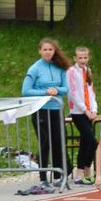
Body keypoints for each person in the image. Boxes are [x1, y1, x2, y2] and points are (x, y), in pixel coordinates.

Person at [21, 38, 70, 188]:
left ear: (54, 51)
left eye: (50, 49)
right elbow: (26, 91)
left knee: (58, 142)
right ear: (40, 51)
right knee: (45, 143)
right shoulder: (34, 68)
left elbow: (65, 88)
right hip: (40, 111)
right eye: (45, 49)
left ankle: (57, 176)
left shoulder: (60, 67)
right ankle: (43, 177)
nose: (48, 52)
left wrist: (57, 90)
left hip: (56, 110)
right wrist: (45, 92)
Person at [66, 46, 98, 185]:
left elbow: (91, 91)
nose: (83, 60)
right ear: (75, 58)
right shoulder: (71, 71)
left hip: (89, 111)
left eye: (85, 57)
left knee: (85, 142)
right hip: (78, 111)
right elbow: (72, 93)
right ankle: (84, 170)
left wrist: (94, 109)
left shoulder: (88, 70)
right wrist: (85, 110)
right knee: (91, 141)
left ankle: (82, 173)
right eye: (80, 58)